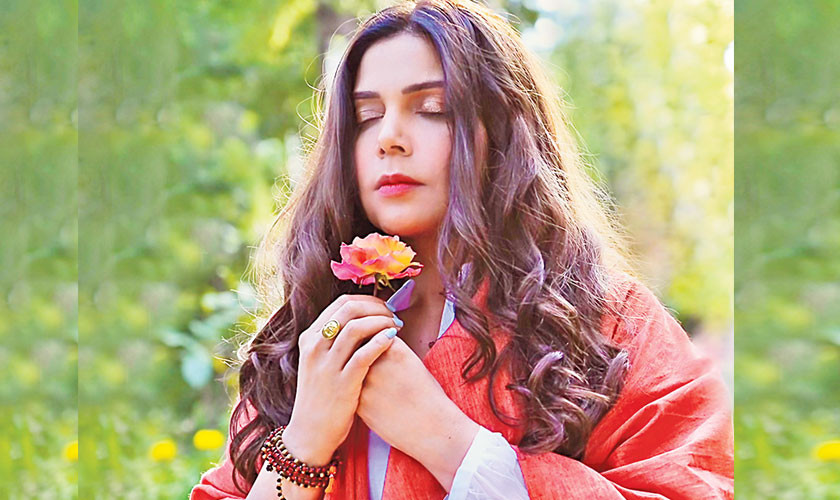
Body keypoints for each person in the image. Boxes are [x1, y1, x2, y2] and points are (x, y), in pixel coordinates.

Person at [190, 0, 734, 499]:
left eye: (433, 108)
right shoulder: (309, 335)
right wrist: (306, 438)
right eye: (366, 116)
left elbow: (694, 485)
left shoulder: (607, 323)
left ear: (502, 133)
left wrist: (446, 440)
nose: (389, 138)